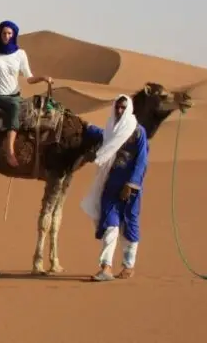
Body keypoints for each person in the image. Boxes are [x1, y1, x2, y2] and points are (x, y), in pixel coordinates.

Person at [79, 94, 148, 282]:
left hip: (130, 189)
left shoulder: (138, 133)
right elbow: (104, 137)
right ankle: (106, 267)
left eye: (123, 107)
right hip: (110, 185)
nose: (119, 110)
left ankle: (128, 265)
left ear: (129, 109)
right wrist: (85, 126)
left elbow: (141, 163)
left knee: (129, 226)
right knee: (111, 225)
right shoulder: (111, 128)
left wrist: (131, 185)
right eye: (117, 107)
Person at [0, 20, 53, 167]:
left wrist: (43, 78)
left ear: (14, 35)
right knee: (15, 107)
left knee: (33, 110)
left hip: (15, 95)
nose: (6, 36)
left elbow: (29, 78)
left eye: (9, 33)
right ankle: (9, 151)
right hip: (0, 97)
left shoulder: (20, 54)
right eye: (4, 33)